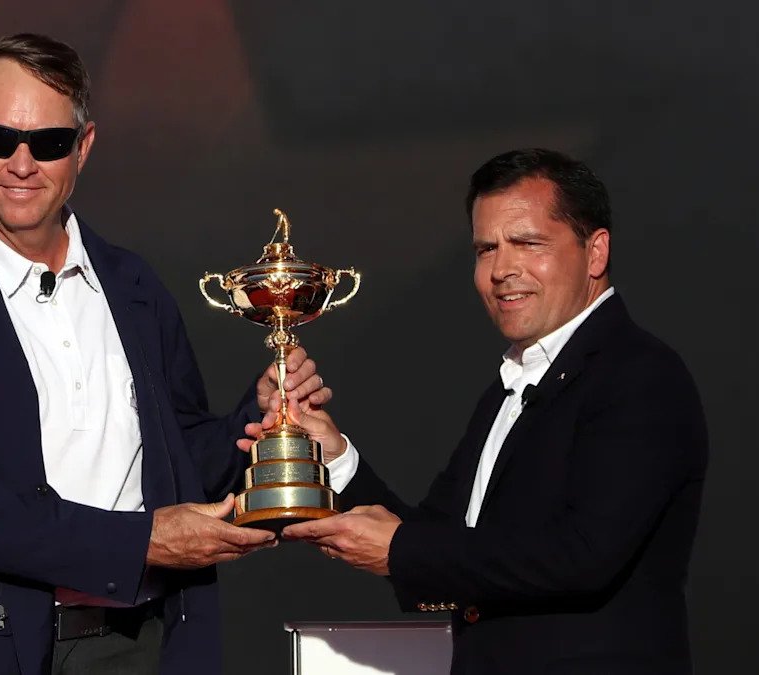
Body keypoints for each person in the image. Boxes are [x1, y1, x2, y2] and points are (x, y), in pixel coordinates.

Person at [0, 33, 330, 675]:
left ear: (84, 147)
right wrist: (139, 544)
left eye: (49, 142)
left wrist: (260, 419)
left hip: (140, 647)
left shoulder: (134, 288)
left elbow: (178, 461)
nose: (22, 164)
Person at [263, 149, 708, 673]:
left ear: (595, 252)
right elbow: (441, 539)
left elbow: (583, 555)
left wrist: (401, 550)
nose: (502, 270)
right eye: (486, 249)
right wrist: (332, 456)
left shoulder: (639, 375)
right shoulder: (513, 385)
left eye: (528, 244)